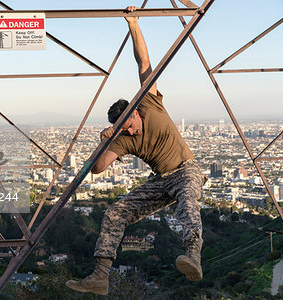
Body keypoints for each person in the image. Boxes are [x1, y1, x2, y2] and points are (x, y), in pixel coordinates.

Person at [65, 6, 206, 295]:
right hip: (161, 180)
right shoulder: (122, 137)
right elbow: (98, 168)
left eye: (129, 124)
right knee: (116, 212)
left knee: (188, 201)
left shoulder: (149, 101)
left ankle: (193, 255)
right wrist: (104, 141)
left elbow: (144, 61)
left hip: (185, 169)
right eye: (123, 129)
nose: (130, 131)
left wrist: (133, 23)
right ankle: (100, 276)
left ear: (134, 110)